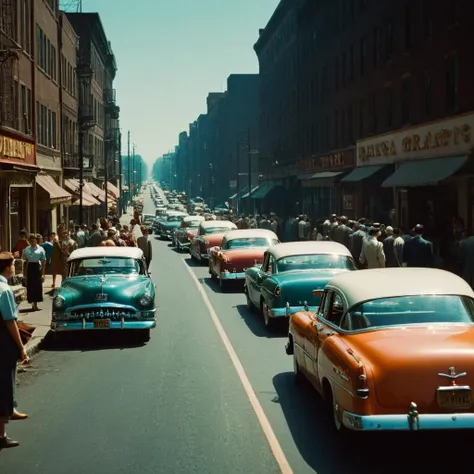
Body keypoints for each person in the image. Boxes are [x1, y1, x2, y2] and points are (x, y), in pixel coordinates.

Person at [0, 252, 29, 448]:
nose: (14, 268)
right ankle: (1, 435)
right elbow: (10, 322)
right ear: (7, 267)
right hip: (2, 341)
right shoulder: (4, 290)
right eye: (12, 265)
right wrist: (21, 348)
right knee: (3, 386)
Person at [22, 234, 46, 311]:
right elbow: (24, 262)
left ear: (36, 241)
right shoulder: (26, 249)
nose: (32, 242)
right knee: (30, 286)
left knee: (37, 286)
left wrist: (43, 274)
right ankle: (32, 304)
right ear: (29, 241)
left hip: (37, 267)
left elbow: (43, 261)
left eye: (34, 241)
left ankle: (36, 304)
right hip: (30, 267)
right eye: (31, 241)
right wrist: (24, 274)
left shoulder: (41, 249)